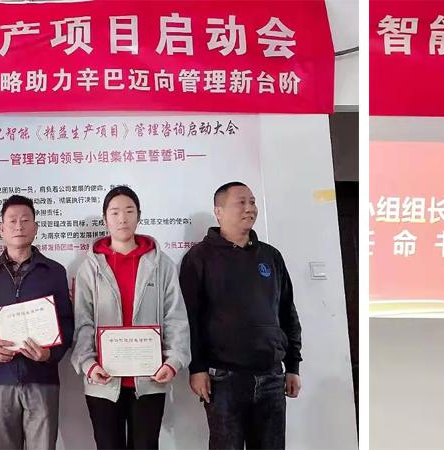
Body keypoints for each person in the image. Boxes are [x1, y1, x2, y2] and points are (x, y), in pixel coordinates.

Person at [180, 181, 303, 450]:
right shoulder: (199, 258)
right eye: (241, 203)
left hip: (272, 376)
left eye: (252, 202)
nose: (249, 208)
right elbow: (190, 319)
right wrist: (197, 368)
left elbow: (286, 312)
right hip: (224, 379)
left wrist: (293, 366)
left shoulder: (270, 256)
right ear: (219, 212)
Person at [71, 186, 190, 450]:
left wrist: (173, 362)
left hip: (150, 379)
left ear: (139, 216)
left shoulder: (161, 265)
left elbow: (175, 317)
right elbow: (83, 321)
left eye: (129, 211)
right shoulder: (90, 268)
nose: (122, 218)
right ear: (105, 219)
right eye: (114, 212)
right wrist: (88, 364)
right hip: (102, 380)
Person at [0, 195, 74, 450]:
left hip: (42, 378)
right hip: (1, 379)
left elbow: (67, 323)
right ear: (2, 229)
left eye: (25, 220)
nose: (18, 226)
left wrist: (49, 354)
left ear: (35, 227)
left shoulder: (54, 272)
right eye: (12, 221)